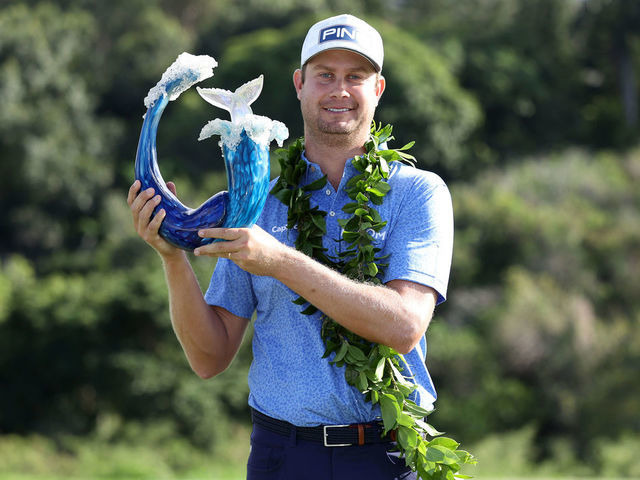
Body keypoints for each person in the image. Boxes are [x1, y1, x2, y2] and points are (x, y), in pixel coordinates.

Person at [128, 13, 453, 480]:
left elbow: (404, 325)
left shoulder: (420, 193)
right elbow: (209, 358)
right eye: (325, 75)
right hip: (281, 457)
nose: (339, 89)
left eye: (355, 77)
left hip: (385, 457)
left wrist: (278, 260)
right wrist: (171, 256)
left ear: (378, 89)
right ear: (300, 84)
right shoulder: (255, 202)